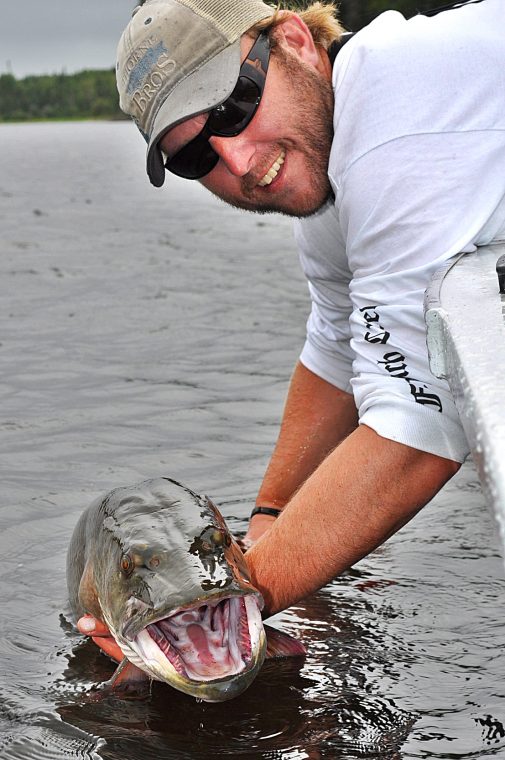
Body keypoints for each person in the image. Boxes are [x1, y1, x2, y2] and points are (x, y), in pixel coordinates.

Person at [78, 0, 505, 651]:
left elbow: (416, 427)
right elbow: (336, 345)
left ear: (296, 40)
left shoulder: (391, 126)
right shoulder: (339, 164)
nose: (240, 162)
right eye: (196, 156)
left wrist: (202, 622)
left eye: (233, 108)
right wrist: (264, 528)